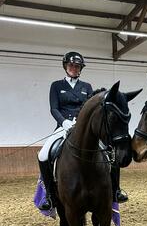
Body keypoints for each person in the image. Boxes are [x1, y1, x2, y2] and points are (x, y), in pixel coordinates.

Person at [37, 51, 128, 210]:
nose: (74, 68)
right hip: (63, 126)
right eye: (71, 65)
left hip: (83, 126)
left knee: (109, 150)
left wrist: (80, 121)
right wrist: (63, 122)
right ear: (66, 66)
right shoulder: (56, 85)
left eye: (77, 66)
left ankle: (116, 190)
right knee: (43, 154)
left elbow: (90, 108)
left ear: (80, 68)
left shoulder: (87, 87)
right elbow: (54, 108)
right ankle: (49, 196)